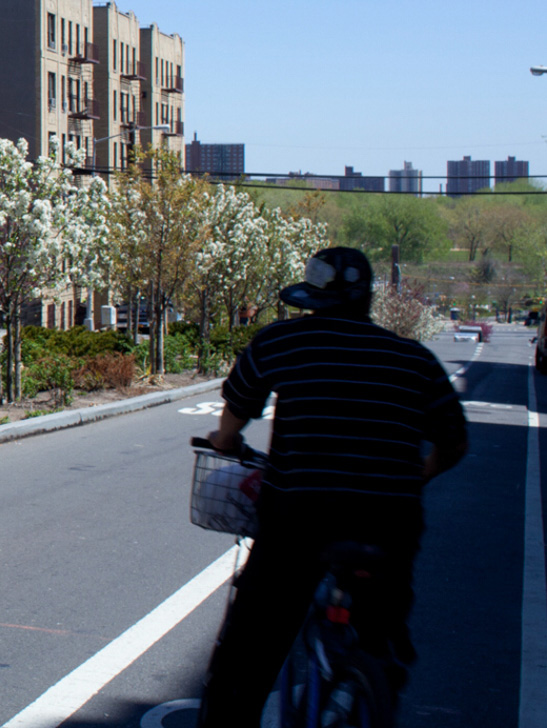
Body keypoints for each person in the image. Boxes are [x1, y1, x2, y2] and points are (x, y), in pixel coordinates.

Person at [197, 246, 467, 726]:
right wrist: (413, 479)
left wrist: (223, 440)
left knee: (247, 656)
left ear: (312, 298)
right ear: (367, 302)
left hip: (300, 519)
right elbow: (453, 443)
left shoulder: (280, 342)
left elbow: (235, 413)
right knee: (381, 636)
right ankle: (370, 683)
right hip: (390, 523)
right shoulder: (415, 359)